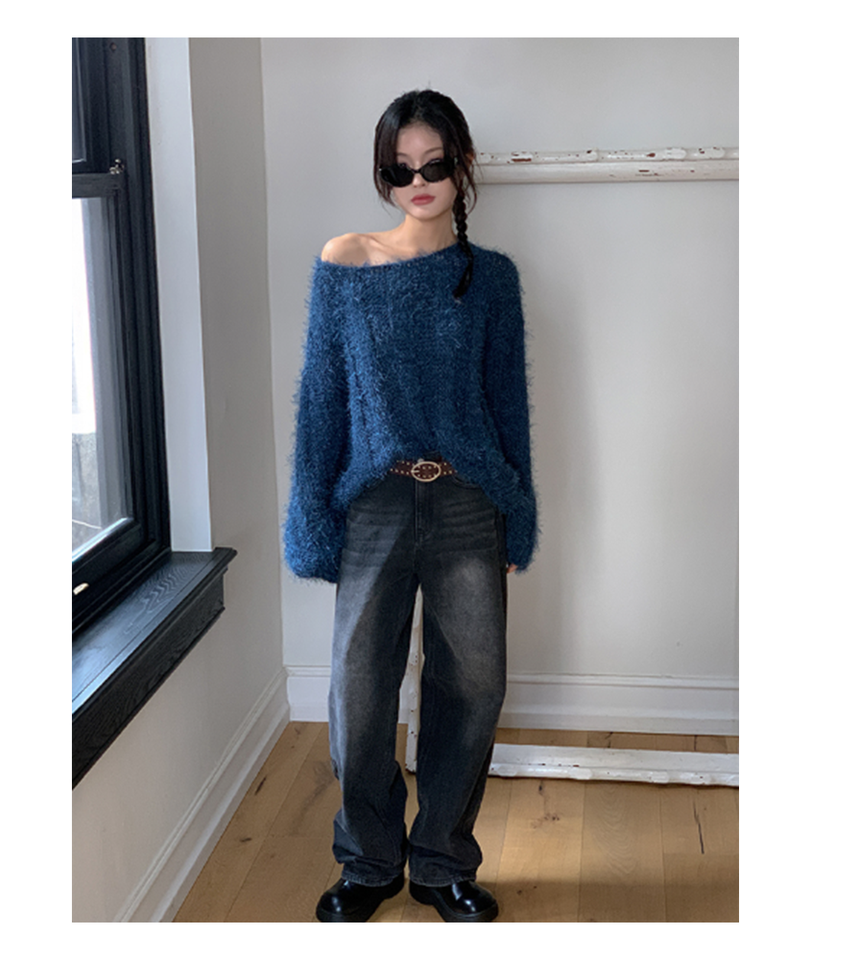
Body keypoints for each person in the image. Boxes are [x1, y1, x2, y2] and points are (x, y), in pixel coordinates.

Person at [284, 89, 537, 923]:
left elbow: (507, 405)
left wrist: (518, 513)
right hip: (376, 502)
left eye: (434, 165)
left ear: (462, 166)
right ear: (383, 174)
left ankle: (440, 863)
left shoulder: (490, 278)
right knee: (359, 693)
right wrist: (311, 517)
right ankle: (367, 863)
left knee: (474, 686)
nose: (417, 182)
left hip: (468, 501)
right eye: (400, 169)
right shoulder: (348, 260)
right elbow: (322, 401)